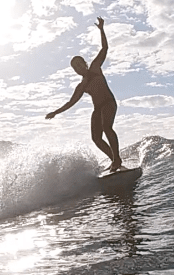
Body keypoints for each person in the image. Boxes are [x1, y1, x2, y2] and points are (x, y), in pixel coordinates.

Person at [46, 17, 124, 172]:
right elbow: (71, 102)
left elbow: (104, 49)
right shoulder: (82, 86)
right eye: (74, 67)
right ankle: (115, 160)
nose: (77, 68)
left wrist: (101, 30)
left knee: (107, 127)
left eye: (79, 64)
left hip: (109, 103)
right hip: (97, 109)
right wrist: (55, 112)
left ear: (85, 63)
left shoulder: (95, 68)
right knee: (96, 138)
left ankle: (116, 159)